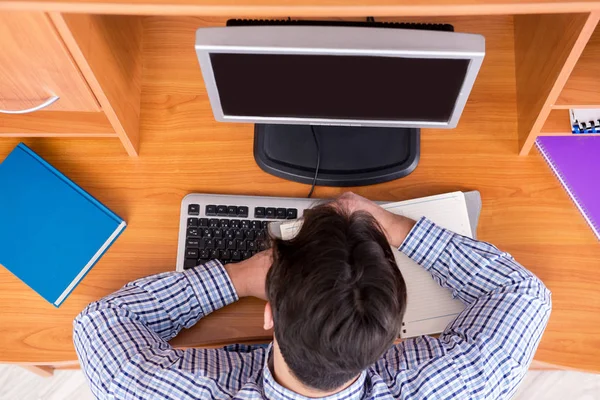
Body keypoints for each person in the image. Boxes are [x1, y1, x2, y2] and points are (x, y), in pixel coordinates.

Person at [73, 192, 552, 400]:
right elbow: (521, 293)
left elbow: (98, 322)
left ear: (268, 315)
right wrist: (392, 225)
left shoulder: (142, 389)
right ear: (392, 335)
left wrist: (237, 278)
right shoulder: (456, 386)